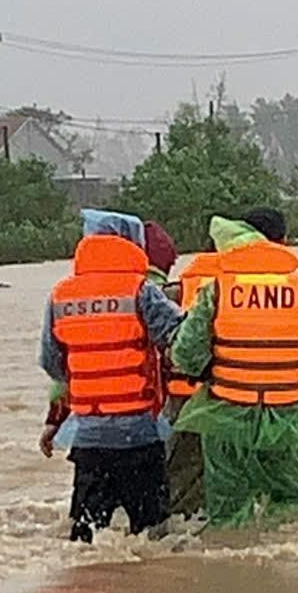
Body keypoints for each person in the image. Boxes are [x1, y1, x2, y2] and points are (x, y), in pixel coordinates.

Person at [167, 208, 298, 529]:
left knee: (229, 513)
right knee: (289, 505)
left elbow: (186, 354)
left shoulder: (216, 291)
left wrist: (219, 367)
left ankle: (234, 571)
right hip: (284, 418)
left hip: (226, 418)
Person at [42, 210, 185, 541]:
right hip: (141, 434)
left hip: (89, 437)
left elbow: (53, 364)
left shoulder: (62, 295)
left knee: (87, 540)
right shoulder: (142, 291)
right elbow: (180, 339)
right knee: (153, 537)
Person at [162, 235, 226, 518]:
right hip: (232, 398)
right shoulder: (238, 287)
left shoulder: (176, 289)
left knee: (179, 481)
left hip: (181, 398)